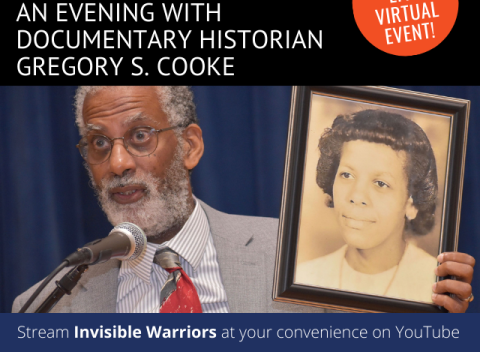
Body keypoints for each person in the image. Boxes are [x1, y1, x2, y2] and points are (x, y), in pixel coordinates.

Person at [12, 88, 474, 313]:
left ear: (190, 145)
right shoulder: (49, 304)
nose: (117, 163)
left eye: (139, 136)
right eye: (98, 144)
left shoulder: (295, 258)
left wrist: (433, 320)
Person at [296, 109, 475, 310]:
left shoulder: (436, 286)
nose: (357, 196)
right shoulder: (303, 277)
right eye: (347, 175)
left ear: (412, 204)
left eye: (380, 183)